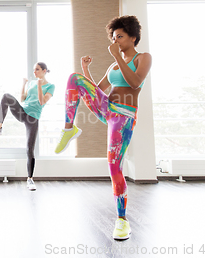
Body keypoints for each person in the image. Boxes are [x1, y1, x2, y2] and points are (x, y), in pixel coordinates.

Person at [54, 15, 152, 240]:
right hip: (108, 108)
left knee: (114, 167)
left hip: (124, 116)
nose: (116, 40)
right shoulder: (112, 65)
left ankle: (122, 220)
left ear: (133, 37)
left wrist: (118, 56)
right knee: (75, 79)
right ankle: (69, 129)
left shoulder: (143, 58)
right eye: (114, 37)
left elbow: (135, 82)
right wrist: (85, 70)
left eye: (120, 36)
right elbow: (96, 90)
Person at [0, 62, 55, 191]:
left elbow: (42, 102)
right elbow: (23, 99)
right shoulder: (32, 82)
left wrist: (40, 86)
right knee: (6, 96)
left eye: (37, 70)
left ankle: (30, 179)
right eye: (34, 70)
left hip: (33, 118)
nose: (35, 72)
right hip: (22, 112)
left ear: (44, 71)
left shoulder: (50, 86)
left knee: (29, 149)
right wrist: (24, 84)